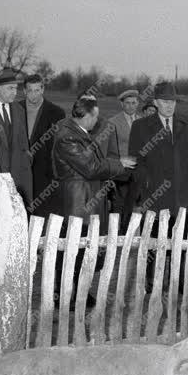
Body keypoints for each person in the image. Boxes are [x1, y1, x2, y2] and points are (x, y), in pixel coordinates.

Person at [52, 96, 136, 304]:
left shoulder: (78, 133)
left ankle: (79, 292)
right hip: (77, 201)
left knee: (84, 249)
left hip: (86, 199)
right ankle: (67, 297)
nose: (97, 121)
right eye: (95, 116)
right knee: (74, 249)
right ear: (87, 115)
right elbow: (91, 167)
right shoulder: (67, 137)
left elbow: (95, 164)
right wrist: (119, 164)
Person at [128, 81, 188, 217]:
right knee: (156, 236)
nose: (170, 106)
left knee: (184, 236)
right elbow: (135, 161)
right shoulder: (140, 126)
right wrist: (147, 182)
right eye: (165, 101)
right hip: (154, 198)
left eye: (172, 101)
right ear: (155, 103)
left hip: (184, 198)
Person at [0, 69, 33, 210]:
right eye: (10, 88)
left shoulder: (19, 110)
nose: (15, 92)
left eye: (16, 88)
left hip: (17, 176)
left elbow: (23, 144)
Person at [19, 74, 65, 218]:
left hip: (45, 174)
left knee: (42, 216)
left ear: (43, 89)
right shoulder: (15, 109)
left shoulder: (56, 112)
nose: (34, 94)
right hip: (20, 171)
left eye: (37, 90)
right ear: (24, 91)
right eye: (30, 90)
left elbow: (60, 145)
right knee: (20, 213)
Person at [105, 89, 141, 230]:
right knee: (119, 204)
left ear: (137, 103)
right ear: (122, 104)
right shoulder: (112, 122)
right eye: (127, 103)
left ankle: (131, 234)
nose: (131, 106)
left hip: (139, 170)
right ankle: (116, 233)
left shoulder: (143, 121)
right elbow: (109, 149)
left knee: (136, 204)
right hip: (121, 171)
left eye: (134, 103)